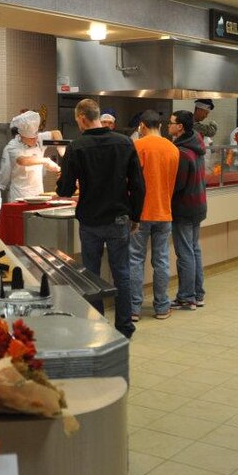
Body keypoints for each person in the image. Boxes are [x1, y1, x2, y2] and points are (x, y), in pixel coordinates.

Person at [57, 98, 145, 338]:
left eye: (77, 120)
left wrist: (64, 184)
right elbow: (138, 184)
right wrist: (135, 215)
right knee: (122, 273)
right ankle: (125, 327)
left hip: (90, 220)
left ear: (83, 118)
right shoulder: (124, 142)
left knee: (91, 275)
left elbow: (64, 189)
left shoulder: (77, 146)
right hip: (118, 218)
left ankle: (97, 324)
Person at [128, 111, 179, 321]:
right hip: (164, 211)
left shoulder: (138, 147)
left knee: (135, 260)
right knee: (162, 260)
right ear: (160, 124)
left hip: (140, 213)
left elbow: (130, 181)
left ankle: (133, 309)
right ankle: (161, 307)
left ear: (142, 126)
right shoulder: (173, 149)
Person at [168, 111, 208, 310]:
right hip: (198, 205)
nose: (169, 126)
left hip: (184, 207)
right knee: (194, 249)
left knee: (185, 252)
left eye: (171, 123)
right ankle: (198, 294)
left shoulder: (182, 152)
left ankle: (186, 297)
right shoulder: (197, 144)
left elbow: (178, 185)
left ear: (180, 127)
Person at [0, 111, 61, 204]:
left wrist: (62, 151)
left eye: (36, 137)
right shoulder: (13, 145)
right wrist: (45, 161)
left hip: (39, 194)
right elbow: (22, 160)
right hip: (20, 195)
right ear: (22, 136)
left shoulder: (39, 138)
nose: (35, 140)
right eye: (31, 138)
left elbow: (56, 133)